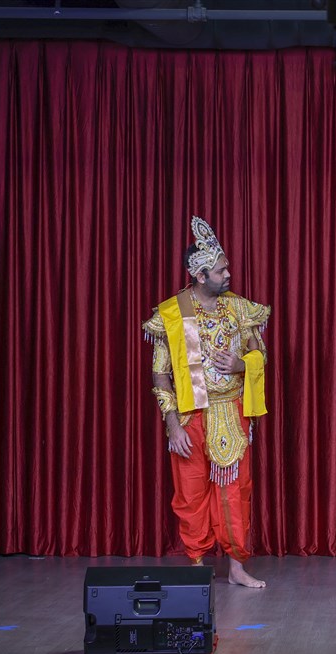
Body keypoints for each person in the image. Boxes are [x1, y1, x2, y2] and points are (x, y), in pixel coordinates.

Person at [143, 216, 270, 587]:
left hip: (232, 411)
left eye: (226, 267)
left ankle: (236, 569)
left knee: (236, 494)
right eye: (220, 271)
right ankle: (197, 566)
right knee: (191, 493)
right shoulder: (173, 313)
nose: (228, 274)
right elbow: (160, 374)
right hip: (191, 415)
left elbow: (260, 353)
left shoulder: (240, 308)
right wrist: (172, 425)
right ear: (199, 276)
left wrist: (242, 364)